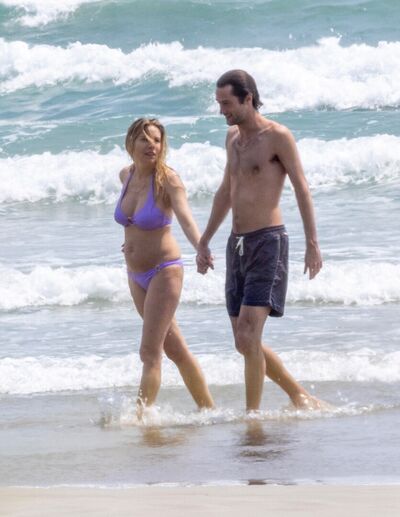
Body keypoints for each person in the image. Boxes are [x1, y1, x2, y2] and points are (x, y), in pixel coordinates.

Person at [197, 70, 323, 412]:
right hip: (236, 244)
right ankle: (299, 396)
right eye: (219, 103)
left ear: (248, 98)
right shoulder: (232, 139)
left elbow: (302, 188)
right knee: (243, 341)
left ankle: (252, 417)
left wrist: (312, 243)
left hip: (268, 242)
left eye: (226, 103)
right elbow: (226, 191)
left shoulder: (277, 136)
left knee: (248, 336)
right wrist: (204, 240)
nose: (221, 110)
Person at [115, 117, 214, 414]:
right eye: (145, 139)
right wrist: (132, 243)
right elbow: (133, 223)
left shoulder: (168, 180)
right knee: (175, 349)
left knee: (149, 352)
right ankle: (209, 410)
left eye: (157, 140)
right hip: (136, 274)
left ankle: (141, 418)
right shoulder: (126, 175)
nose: (152, 146)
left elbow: (185, 219)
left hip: (164, 271)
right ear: (131, 142)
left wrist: (201, 248)